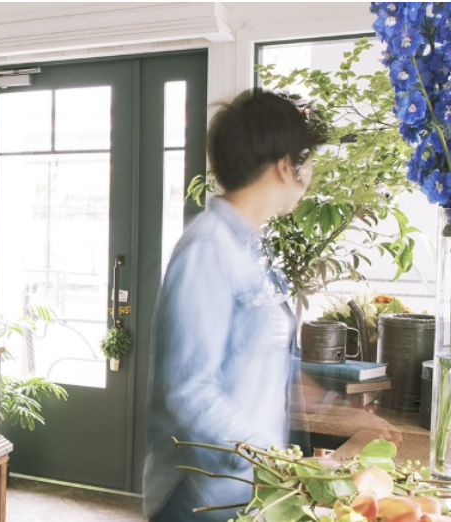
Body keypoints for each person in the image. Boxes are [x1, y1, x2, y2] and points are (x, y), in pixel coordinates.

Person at [143, 90, 327, 521]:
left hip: (244, 488)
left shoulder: (250, 247)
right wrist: (276, 459)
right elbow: (189, 392)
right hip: (201, 496)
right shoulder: (208, 248)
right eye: (308, 162)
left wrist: (321, 397)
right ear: (285, 165)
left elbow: (246, 358)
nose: (310, 174)